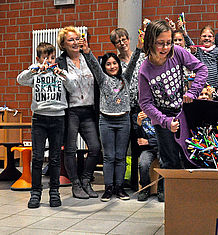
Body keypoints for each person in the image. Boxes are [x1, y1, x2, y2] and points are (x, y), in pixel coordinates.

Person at [138, 20, 207, 202]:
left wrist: (193, 91)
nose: (166, 47)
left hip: (183, 112)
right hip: (162, 118)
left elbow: (202, 69)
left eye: (169, 42)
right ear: (151, 42)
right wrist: (165, 122)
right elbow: (145, 103)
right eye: (161, 43)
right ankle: (173, 202)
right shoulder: (145, 70)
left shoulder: (178, 52)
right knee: (169, 162)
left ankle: (194, 200)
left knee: (190, 157)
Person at [82, 32, 143, 201]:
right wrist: (87, 51)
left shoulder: (126, 77)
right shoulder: (102, 79)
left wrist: (138, 47)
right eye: (108, 64)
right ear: (105, 67)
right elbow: (94, 65)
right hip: (106, 121)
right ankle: (108, 188)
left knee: (120, 156)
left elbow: (134, 61)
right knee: (109, 156)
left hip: (123, 120)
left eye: (114, 63)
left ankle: (119, 187)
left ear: (119, 65)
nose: (112, 66)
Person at [17, 43, 75, 208]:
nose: (49, 61)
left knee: (55, 158)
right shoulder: (35, 73)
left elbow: (73, 87)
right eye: (45, 58)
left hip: (58, 118)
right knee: (37, 158)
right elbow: (20, 79)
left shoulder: (60, 73)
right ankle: (35, 193)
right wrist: (34, 69)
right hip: (39, 119)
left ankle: (54, 192)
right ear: (38, 59)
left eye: (51, 58)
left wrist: (63, 75)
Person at [56, 26, 101, 199]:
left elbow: (99, 75)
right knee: (70, 148)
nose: (75, 42)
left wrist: (88, 52)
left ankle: (86, 180)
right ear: (63, 44)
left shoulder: (88, 58)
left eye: (77, 39)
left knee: (95, 147)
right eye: (71, 40)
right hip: (71, 111)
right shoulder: (61, 62)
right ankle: (75, 184)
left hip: (89, 109)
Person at [110, 28, 147, 191]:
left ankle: (137, 181)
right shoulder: (114, 63)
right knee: (123, 145)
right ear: (114, 44)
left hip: (141, 106)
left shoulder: (141, 57)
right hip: (124, 108)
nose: (122, 43)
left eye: (124, 39)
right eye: (118, 41)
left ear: (129, 39)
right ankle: (122, 181)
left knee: (139, 144)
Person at [135, 110, 159, 201]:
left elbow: (165, 138)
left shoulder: (160, 114)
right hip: (147, 149)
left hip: (161, 147)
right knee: (143, 163)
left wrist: (149, 141)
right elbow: (138, 139)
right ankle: (145, 188)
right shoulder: (137, 116)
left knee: (165, 162)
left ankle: (162, 189)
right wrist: (139, 124)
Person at [192, 25, 218, 91]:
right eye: (204, 36)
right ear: (200, 38)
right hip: (201, 85)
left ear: (213, 39)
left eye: (209, 36)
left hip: (214, 86)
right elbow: (190, 42)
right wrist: (185, 33)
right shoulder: (198, 50)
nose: (207, 38)